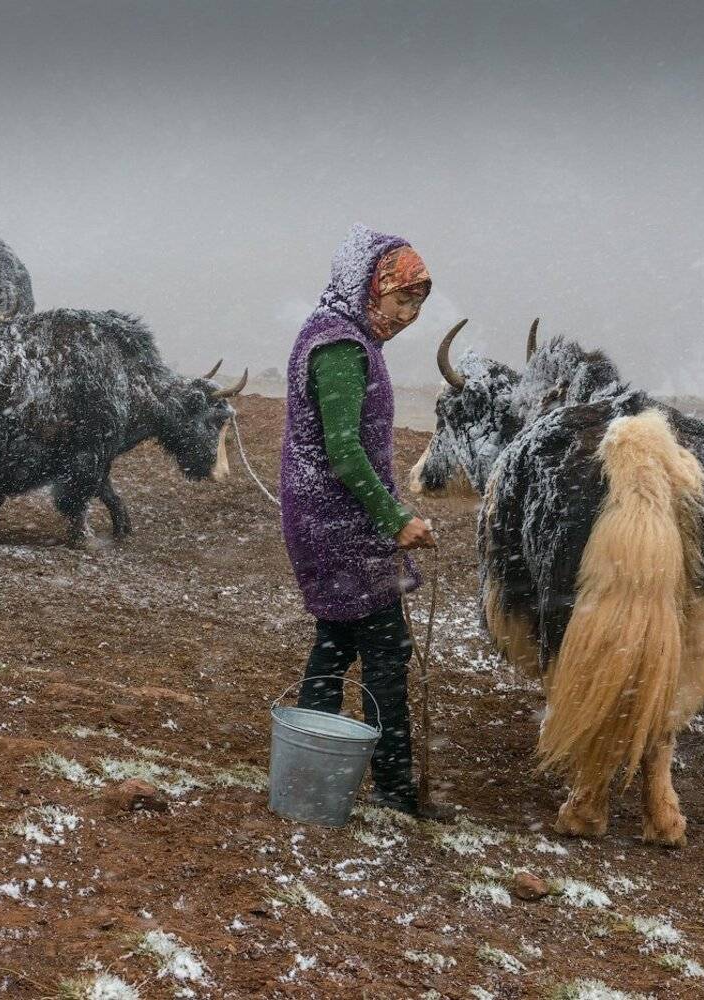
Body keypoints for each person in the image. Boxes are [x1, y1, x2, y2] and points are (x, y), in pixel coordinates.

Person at [279, 223, 441, 817]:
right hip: (340, 525)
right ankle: (396, 795)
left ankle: (305, 774)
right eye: (401, 300)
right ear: (370, 287)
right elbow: (344, 451)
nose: (407, 316)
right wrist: (395, 518)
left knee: (336, 642)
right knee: (386, 651)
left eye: (417, 307)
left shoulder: (341, 336)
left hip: (330, 519)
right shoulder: (342, 347)